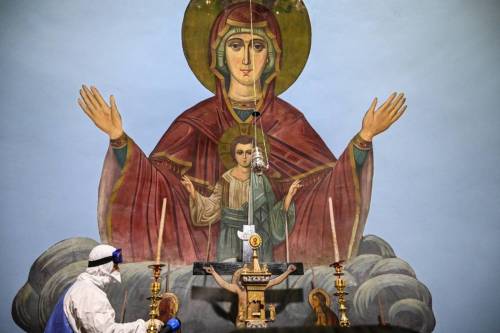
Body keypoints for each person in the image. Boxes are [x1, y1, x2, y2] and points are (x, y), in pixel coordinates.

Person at [78, 2, 406, 265]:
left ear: (272, 58)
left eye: (257, 46)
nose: (246, 58)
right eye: (236, 45)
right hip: (208, 259)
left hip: (269, 252)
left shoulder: (291, 123)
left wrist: (363, 140)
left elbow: (322, 192)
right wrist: (119, 139)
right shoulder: (194, 122)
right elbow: (158, 189)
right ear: (220, 54)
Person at [181, 135, 301, 262]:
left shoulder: (260, 179)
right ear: (234, 154)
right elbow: (211, 207)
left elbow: (271, 214)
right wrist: (193, 192)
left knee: (257, 274)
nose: (244, 157)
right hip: (230, 239)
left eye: (249, 152)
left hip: (256, 237)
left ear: (254, 155)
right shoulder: (225, 180)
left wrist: (289, 196)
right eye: (240, 152)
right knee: (230, 276)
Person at [44, 244, 163, 333]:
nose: (117, 270)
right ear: (105, 265)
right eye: (115, 265)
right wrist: (143, 327)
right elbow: (106, 331)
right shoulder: (89, 293)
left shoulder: (82, 286)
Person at [203, 264, 296, 328]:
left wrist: (288, 271)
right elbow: (223, 284)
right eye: (242, 279)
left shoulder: (261, 286)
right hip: (242, 322)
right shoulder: (238, 289)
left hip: (258, 321)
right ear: (240, 281)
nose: (244, 281)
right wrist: (213, 273)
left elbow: (276, 281)